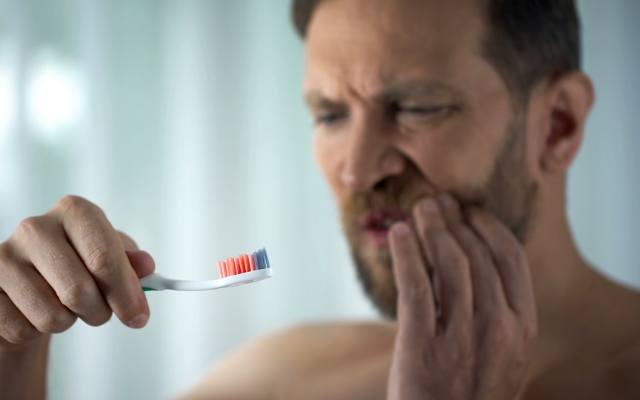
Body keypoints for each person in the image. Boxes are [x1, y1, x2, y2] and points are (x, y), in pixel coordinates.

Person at [1, 0, 639, 399]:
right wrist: (11, 357)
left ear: (558, 124)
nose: (357, 170)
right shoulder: (286, 378)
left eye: (416, 107)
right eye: (331, 115)